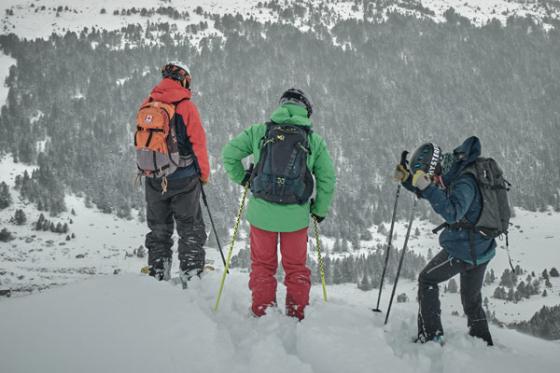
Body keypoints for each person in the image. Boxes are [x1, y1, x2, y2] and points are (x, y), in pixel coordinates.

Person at [222, 88, 336, 320]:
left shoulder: (259, 132)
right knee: (296, 268)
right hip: (295, 218)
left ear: (281, 106)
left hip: (262, 214)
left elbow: (229, 154)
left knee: (263, 265)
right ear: (306, 111)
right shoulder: (313, 140)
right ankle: (296, 313)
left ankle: (263, 312)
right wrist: (319, 210)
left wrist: (244, 179)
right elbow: (327, 179)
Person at [394, 137, 495, 346]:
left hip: (465, 249)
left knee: (427, 280)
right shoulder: (454, 174)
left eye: (431, 176)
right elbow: (435, 191)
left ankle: (431, 337)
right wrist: (408, 181)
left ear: (437, 168)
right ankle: (483, 343)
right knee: (471, 301)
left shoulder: (465, 182)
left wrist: (426, 186)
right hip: (481, 248)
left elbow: (452, 212)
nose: (432, 181)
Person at [139, 61, 210, 283]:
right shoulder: (186, 106)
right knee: (190, 228)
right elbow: (198, 143)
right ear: (183, 79)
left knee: (159, 230)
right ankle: (191, 276)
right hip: (183, 179)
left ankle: (157, 274)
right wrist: (204, 175)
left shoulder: (148, 102)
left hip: (153, 177)